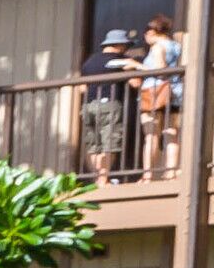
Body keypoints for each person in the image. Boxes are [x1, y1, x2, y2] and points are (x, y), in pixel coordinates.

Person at [80, 29, 136, 183]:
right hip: (109, 104)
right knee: (109, 142)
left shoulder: (89, 62)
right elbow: (135, 82)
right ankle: (103, 179)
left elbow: (82, 88)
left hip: (89, 106)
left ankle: (96, 177)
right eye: (125, 46)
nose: (126, 49)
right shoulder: (120, 60)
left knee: (93, 144)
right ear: (119, 45)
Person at [134, 13, 186, 177]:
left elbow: (160, 71)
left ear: (152, 32)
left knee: (151, 134)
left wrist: (135, 65)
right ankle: (170, 172)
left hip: (154, 92)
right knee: (172, 133)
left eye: (147, 34)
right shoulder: (176, 46)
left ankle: (148, 174)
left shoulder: (157, 47)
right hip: (174, 91)